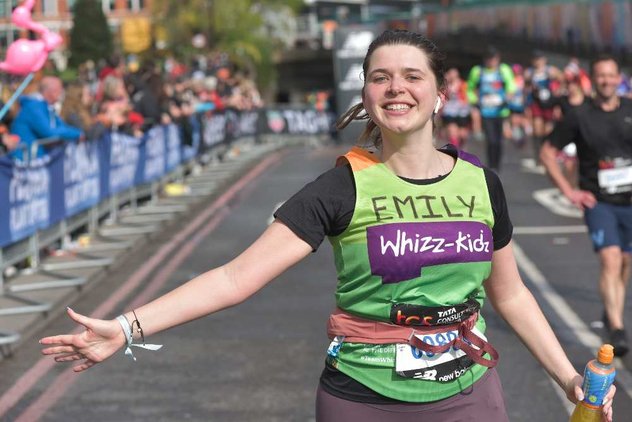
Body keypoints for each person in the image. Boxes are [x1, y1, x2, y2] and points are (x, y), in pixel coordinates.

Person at [40, 30, 615, 421]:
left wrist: (567, 381)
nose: (397, 88)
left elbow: (510, 295)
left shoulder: (482, 184)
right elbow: (235, 278)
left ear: (441, 93)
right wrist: (126, 327)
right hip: (363, 398)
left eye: (413, 77)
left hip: (467, 394)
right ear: (366, 95)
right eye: (381, 77)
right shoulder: (342, 185)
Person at [540, 54, 632, 358]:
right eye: (601, 76)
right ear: (592, 80)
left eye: (611, 75)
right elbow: (548, 152)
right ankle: (617, 329)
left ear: (619, 78)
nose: (607, 81)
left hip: (629, 202)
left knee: (625, 263)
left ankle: (611, 310)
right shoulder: (580, 115)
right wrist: (570, 191)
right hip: (599, 201)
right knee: (611, 259)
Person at [466, 46, 516, 171]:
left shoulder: (504, 70)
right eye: (489, 58)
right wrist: (475, 101)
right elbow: (470, 88)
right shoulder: (477, 71)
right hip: (486, 111)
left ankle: (497, 164)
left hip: (501, 111)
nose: (491, 61)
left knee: (498, 140)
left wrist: (506, 99)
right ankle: (491, 165)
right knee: (491, 139)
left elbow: (511, 86)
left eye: (493, 58)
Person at [9, 76, 83, 161]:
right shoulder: (34, 106)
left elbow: (60, 125)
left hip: (37, 159)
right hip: (26, 161)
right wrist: (77, 134)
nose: (62, 92)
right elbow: (49, 132)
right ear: (51, 91)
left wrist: (77, 133)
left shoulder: (46, 107)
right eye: (60, 89)